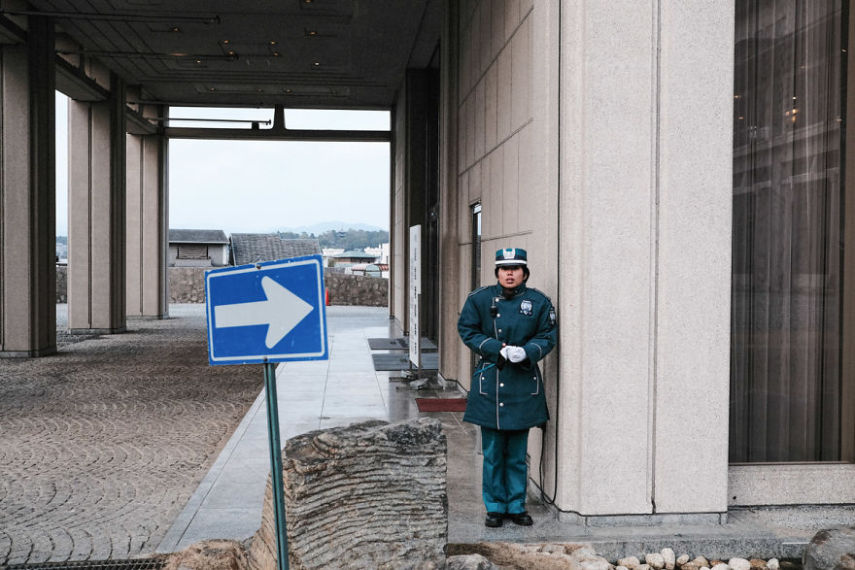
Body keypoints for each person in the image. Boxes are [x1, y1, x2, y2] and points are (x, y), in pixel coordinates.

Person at [457, 247, 557, 528]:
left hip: (522, 383)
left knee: (516, 454)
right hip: (491, 382)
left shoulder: (538, 302)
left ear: (524, 272)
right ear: (497, 272)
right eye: (504, 268)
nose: (509, 273)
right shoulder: (479, 299)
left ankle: (516, 505)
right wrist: (495, 348)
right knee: (492, 454)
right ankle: (494, 506)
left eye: (515, 268)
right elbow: (467, 329)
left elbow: (548, 335)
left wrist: (527, 351)